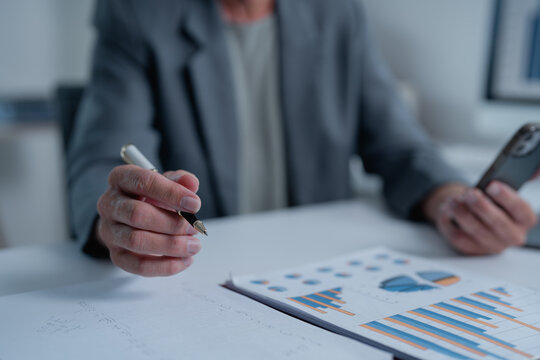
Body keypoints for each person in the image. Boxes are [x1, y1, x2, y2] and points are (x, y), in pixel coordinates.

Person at [67, 0, 538, 277]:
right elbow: (100, 160)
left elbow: (400, 147)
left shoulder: (336, 12)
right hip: (200, 278)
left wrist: (456, 206)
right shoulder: (134, 14)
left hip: (319, 279)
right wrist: (119, 217)